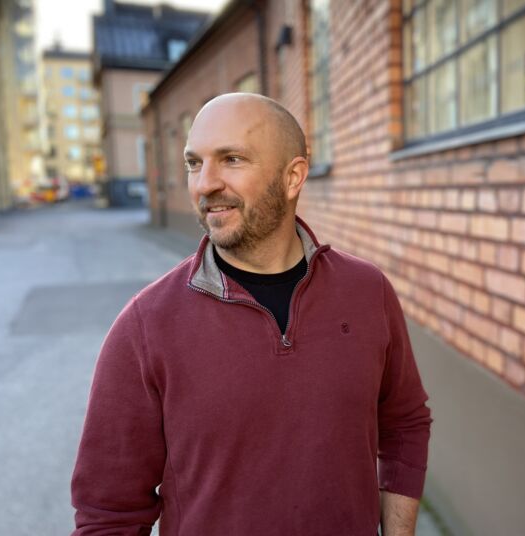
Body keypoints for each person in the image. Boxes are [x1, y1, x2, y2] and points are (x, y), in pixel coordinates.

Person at [70, 93, 432, 535]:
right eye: (193, 163)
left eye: (232, 159)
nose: (205, 184)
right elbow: (108, 515)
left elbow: (404, 424)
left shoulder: (367, 291)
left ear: (293, 176)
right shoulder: (145, 326)